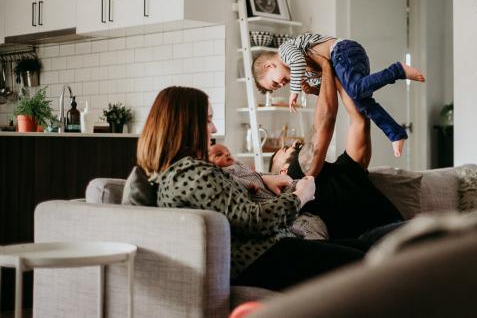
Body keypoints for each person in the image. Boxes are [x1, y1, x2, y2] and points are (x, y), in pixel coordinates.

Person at [136, 86, 369, 291]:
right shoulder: (191, 173)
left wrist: (263, 178)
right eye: (207, 120)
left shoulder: (175, 174)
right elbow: (253, 219)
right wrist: (301, 196)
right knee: (371, 264)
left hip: (270, 252)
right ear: (185, 126)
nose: (214, 128)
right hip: (263, 258)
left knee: (374, 250)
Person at [267, 51, 405, 241]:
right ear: (281, 171)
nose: (289, 146)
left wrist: (341, 75)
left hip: (404, 231)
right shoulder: (297, 178)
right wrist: (325, 67)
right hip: (373, 242)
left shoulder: (347, 168)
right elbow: (325, 122)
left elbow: (359, 121)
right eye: (282, 151)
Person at [251, 33, 425, 157]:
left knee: (355, 90)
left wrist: (294, 91)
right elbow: (328, 86)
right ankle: (395, 133)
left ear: (269, 66)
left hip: (343, 51)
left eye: (275, 82)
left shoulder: (285, 51)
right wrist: (313, 89)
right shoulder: (302, 73)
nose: (282, 84)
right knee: (362, 103)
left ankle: (397, 70)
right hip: (343, 63)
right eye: (278, 87)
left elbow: (298, 61)